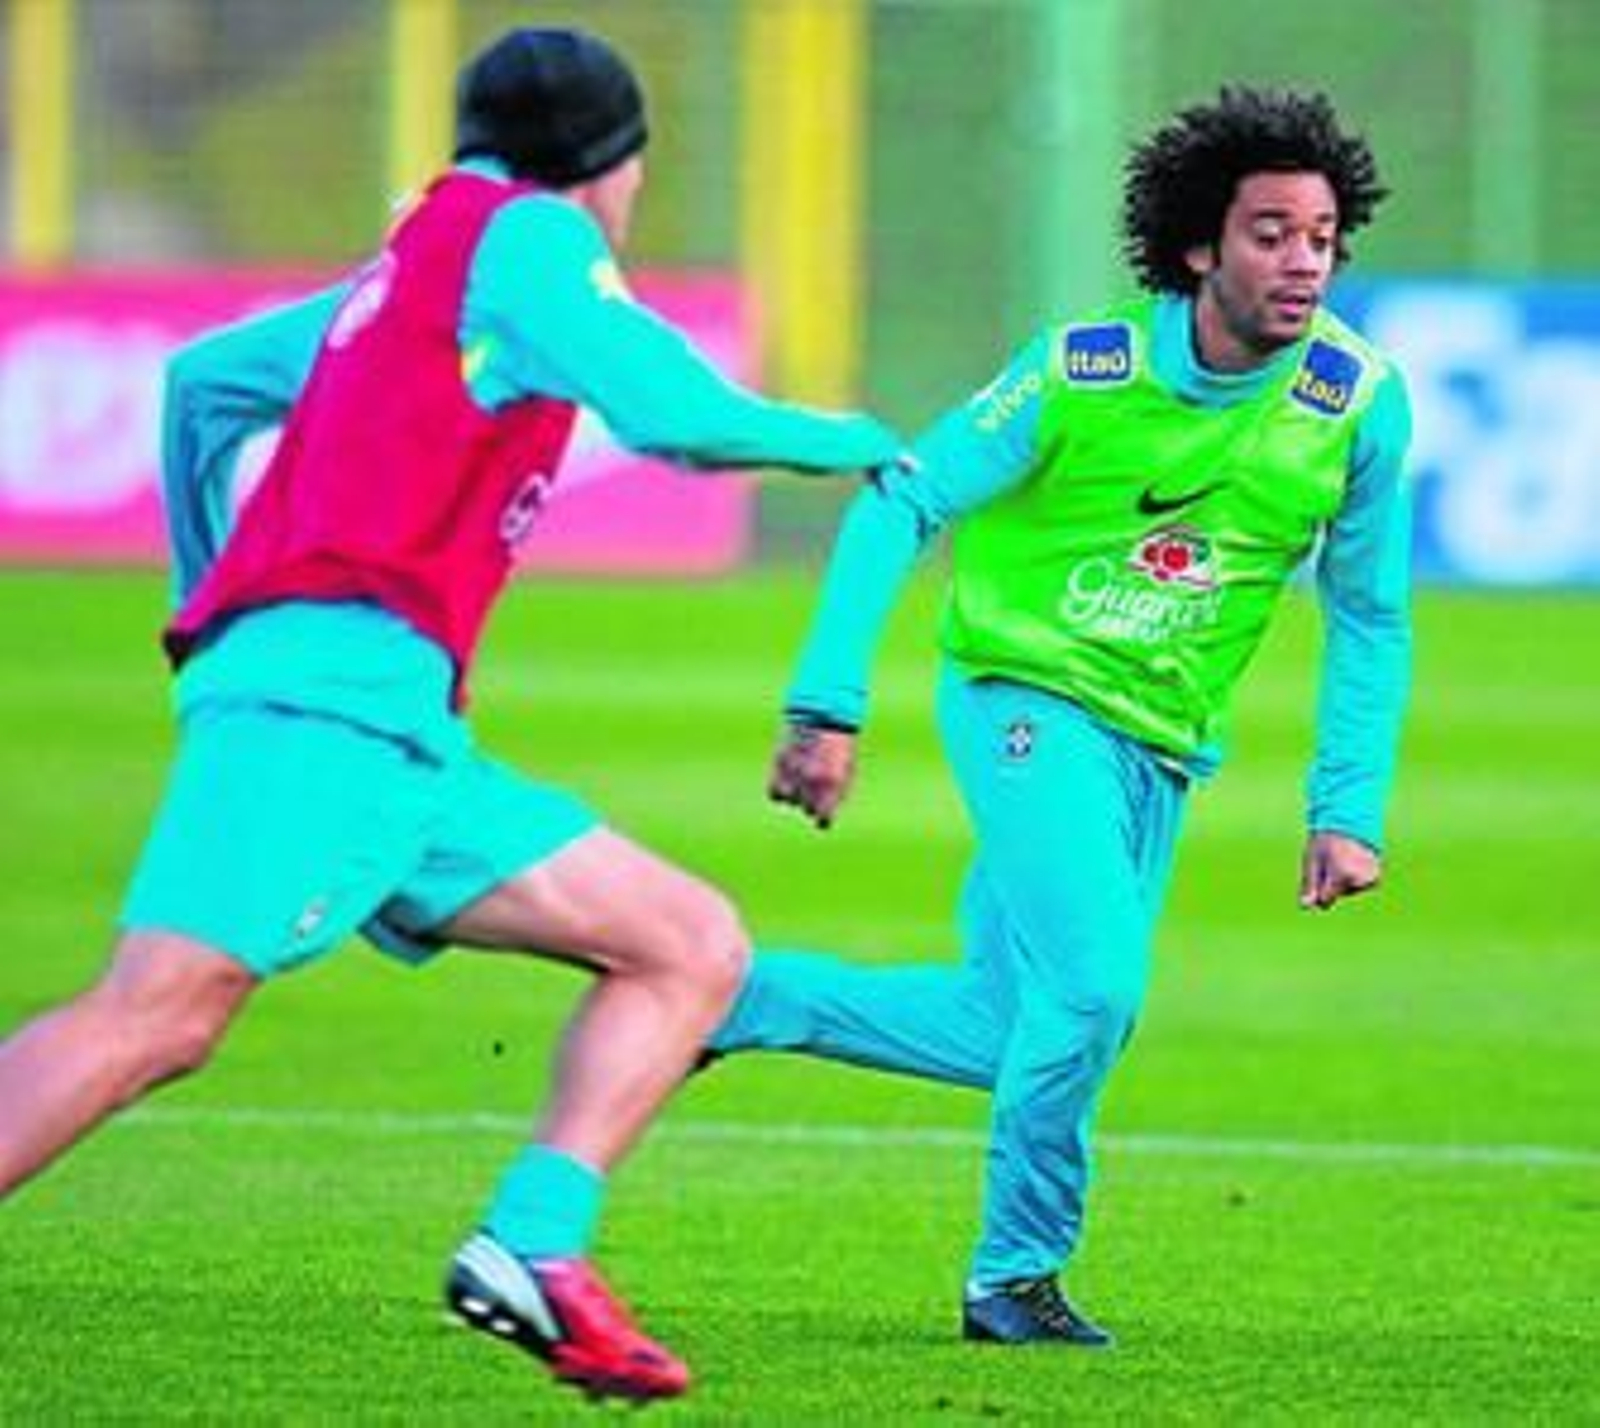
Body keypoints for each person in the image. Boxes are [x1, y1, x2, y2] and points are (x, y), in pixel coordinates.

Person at [0, 26, 902, 1405]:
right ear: (607, 162)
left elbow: (203, 388)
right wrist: (856, 443)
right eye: (633, 166)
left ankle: (531, 1246)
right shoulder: (534, 239)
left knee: (685, 944)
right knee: (156, 1017)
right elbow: (674, 417)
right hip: (331, 705)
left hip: (397, 729)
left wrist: (209, 610)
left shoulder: (422, 257)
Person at [707, 86, 1412, 1348]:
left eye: (1321, 237)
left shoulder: (1355, 402)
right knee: (1092, 995)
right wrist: (827, 702)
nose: (1304, 262)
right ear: (1197, 245)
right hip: (1026, 699)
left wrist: (1346, 808)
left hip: (1163, 744)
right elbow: (900, 500)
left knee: (1014, 1027)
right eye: (1269, 234)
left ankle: (733, 999)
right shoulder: (1083, 371)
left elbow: (1369, 616)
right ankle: (1014, 1279)